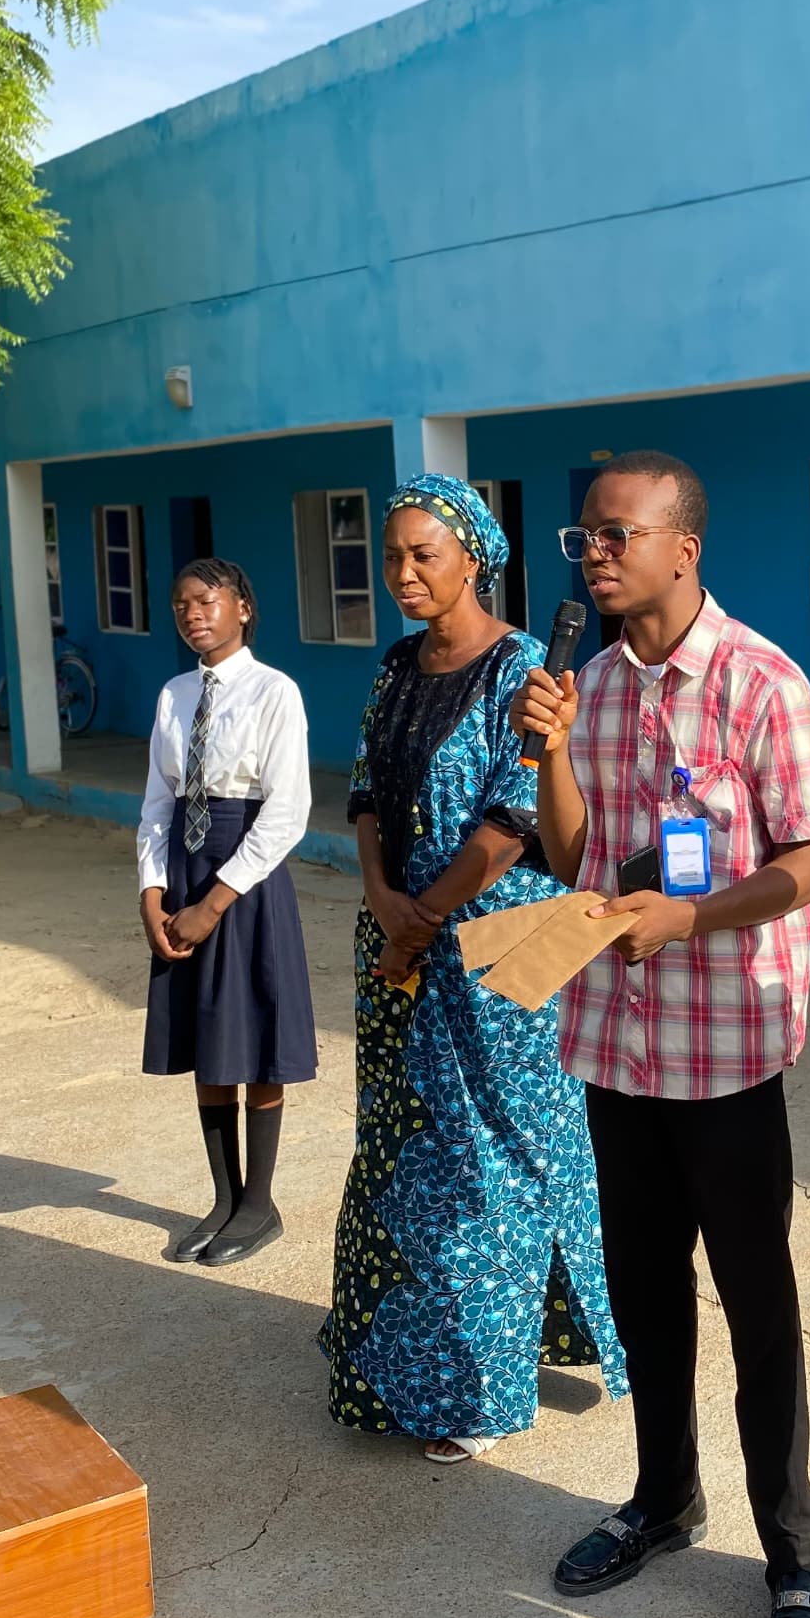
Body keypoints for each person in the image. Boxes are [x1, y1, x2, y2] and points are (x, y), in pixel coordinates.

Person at [507, 449, 810, 1618]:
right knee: (645, 1298)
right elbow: (571, 851)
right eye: (580, 538)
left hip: (728, 1056)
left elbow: (806, 862)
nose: (591, 553)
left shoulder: (762, 683)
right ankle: (662, 1497)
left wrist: (689, 919)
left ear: (681, 544)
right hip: (614, 1045)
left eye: (613, 534)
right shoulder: (586, 683)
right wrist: (546, 749)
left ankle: (794, 1555)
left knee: (760, 1313)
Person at [317, 474, 629, 1465]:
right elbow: (365, 788)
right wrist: (380, 899)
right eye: (394, 555)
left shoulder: (524, 671)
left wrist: (427, 917)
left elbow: (515, 815)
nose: (404, 573)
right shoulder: (395, 667)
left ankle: (480, 1384)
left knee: (491, 1159)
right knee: (402, 1143)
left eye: (425, 555)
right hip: (398, 945)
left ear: (475, 561)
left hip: (496, 949)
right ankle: (398, 1349)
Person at [138, 557, 317, 1268]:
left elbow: (288, 811)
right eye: (181, 603)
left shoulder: (275, 692)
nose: (193, 614)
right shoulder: (174, 695)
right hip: (183, 869)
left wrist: (215, 901)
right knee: (205, 1032)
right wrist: (154, 892)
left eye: (207, 600)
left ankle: (260, 1202)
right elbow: (158, 801)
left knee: (255, 1030)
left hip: (244, 875)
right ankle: (223, 1195)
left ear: (243, 606)